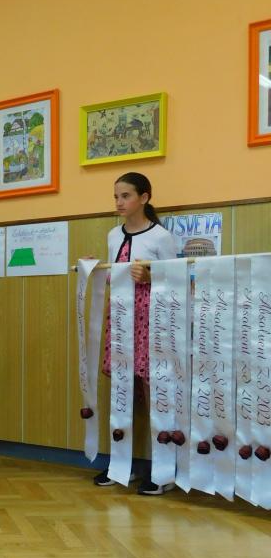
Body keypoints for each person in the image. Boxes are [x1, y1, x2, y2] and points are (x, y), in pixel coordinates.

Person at [95, 171, 177, 495]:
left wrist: (150, 277)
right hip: (121, 320)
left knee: (155, 390)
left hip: (152, 322)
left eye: (126, 196)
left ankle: (164, 471)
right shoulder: (113, 235)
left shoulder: (160, 237)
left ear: (144, 198)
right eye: (116, 196)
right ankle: (121, 465)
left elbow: (175, 281)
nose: (119, 202)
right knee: (122, 390)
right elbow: (113, 276)